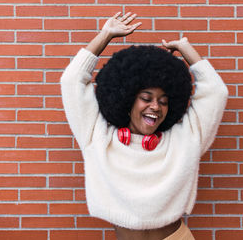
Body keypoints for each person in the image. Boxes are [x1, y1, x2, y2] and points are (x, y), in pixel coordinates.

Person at [60, 12, 228, 240]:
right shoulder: (98, 137)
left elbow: (216, 93)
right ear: (127, 99)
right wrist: (105, 35)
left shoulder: (185, 140)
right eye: (146, 98)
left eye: (163, 101)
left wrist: (185, 48)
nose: (155, 107)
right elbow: (71, 81)